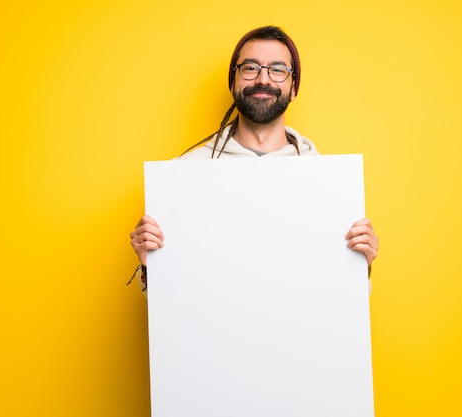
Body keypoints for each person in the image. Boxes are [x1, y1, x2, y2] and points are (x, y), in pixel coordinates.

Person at [129, 26, 379, 292]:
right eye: (250, 68)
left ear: (293, 88)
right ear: (233, 83)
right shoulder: (184, 175)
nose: (263, 79)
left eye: (278, 70)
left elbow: (340, 298)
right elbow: (171, 301)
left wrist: (360, 265)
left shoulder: (329, 184)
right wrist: (151, 264)